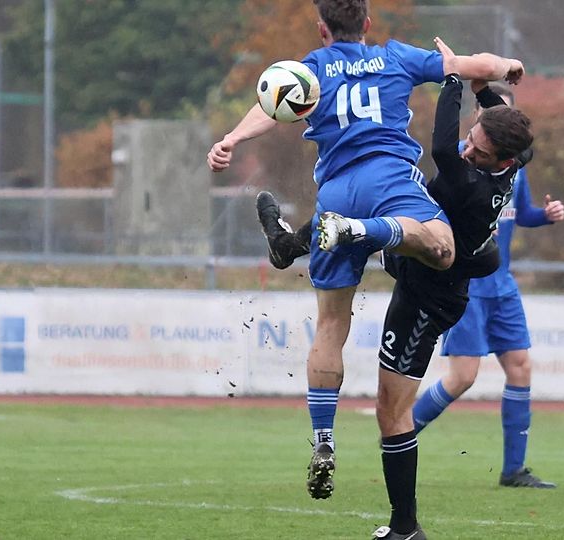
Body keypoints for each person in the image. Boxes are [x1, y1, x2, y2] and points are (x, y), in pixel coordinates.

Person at [207, 0, 525, 507]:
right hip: (390, 182)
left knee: (331, 324)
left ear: (322, 28)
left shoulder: (313, 67)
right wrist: (507, 67)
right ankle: (354, 232)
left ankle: (323, 439)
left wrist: (231, 139)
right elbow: (478, 67)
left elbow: (273, 103)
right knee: (445, 248)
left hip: (334, 188)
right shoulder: (396, 56)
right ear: (368, 24)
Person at [257, 59, 534, 540]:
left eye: (480, 151)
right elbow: (490, 131)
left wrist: (451, 78)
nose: (469, 151)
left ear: (501, 163)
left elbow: (443, 145)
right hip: (413, 261)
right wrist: (483, 92)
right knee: (364, 203)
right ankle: (293, 245)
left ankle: (406, 528)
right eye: (474, 139)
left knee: (391, 409)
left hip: (430, 297)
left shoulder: (469, 181)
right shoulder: (516, 155)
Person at [410, 84, 564, 490]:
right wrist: (460, 80)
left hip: (503, 283)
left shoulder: (514, 165)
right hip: (471, 281)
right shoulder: (466, 158)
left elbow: (519, 214)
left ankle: (514, 470)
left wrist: (544, 216)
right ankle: (399, 432)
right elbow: (443, 152)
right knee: (463, 377)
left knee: (520, 368)